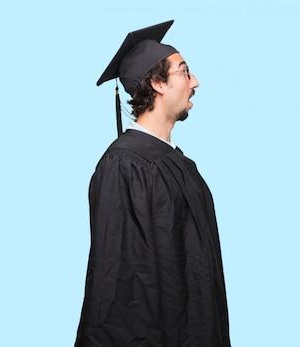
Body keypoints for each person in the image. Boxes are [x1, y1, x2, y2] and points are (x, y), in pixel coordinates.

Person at [75, 20, 230, 346]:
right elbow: (122, 285)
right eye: (185, 72)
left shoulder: (180, 164)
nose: (196, 82)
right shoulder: (124, 165)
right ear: (158, 83)